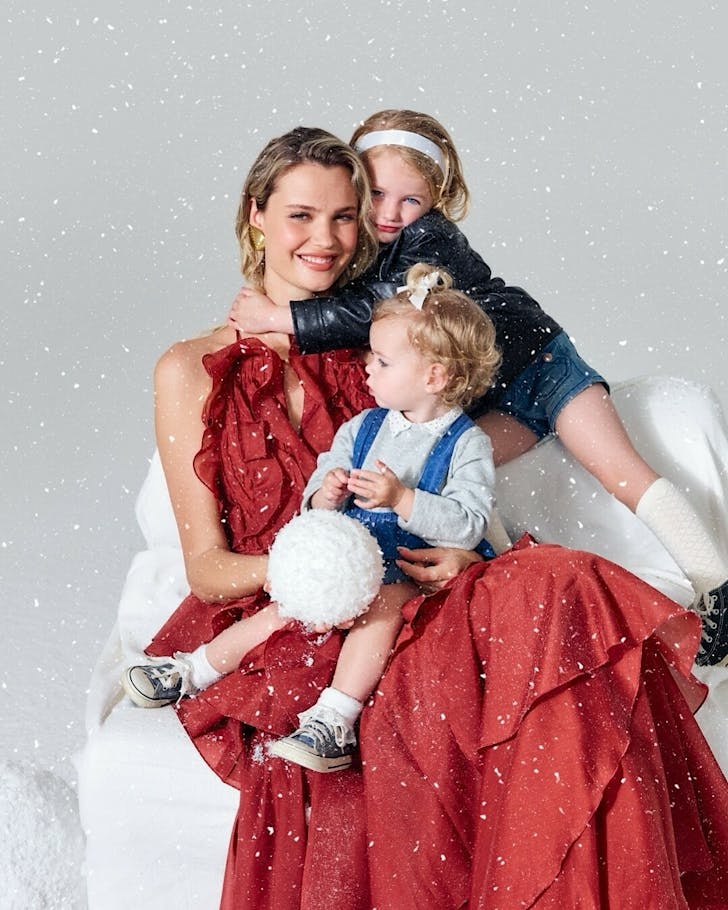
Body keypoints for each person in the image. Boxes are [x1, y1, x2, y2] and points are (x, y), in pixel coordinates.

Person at [124, 124, 728, 909]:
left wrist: (470, 556)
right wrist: (323, 567)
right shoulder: (188, 367)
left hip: (420, 587)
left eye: (347, 216)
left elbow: (475, 451)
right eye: (302, 215)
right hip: (297, 611)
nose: (327, 238)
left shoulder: (388, 349)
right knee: (415, 709)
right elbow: (208, 569)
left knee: (561, 585)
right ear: (255, 215)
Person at [228, 108, 728, 666]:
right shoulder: (365, 248)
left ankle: (719, 594)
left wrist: (283, 317)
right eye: (377, 196)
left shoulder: (430, 241)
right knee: (455, 475)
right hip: (491, 396)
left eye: (411, 200)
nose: (391, 213)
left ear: (436, 202)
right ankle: (481, 572)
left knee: (620, 471)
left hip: (542, 365)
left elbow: (368, 310)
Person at [122, 262, 502, 777]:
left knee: (382, 609)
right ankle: (191, 668)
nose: (368, 370)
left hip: (410, 573)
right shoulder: (363, 425)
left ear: (434, 376)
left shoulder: (467, 444)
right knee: (285, 607)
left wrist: (403, 499)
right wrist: (325, 496)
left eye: (384, 363)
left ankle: (334, 717)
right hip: (351, 558)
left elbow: (469, 524)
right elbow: (314, 493)